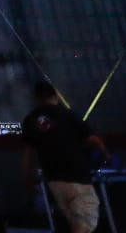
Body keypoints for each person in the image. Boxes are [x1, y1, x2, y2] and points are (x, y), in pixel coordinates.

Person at [22, 80, 108, 233]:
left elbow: (27, 153)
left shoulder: (30, 121)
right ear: (55, 96)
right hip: (76, 176)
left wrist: (28, 178)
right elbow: (92, 140)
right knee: (86, 221)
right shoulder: (67, 115)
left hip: (53, 180)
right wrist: (107, 155)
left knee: (76, 222)